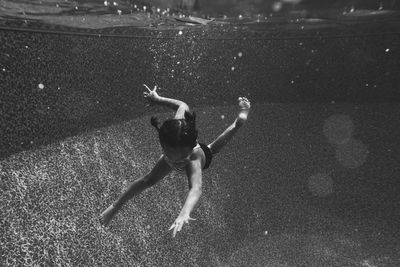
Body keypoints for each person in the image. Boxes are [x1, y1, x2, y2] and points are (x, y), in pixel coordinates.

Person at [100, 84, 251, 237]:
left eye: (177, 155)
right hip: (181, 146)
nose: (173, 158)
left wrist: (184, 212)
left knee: (211, 150)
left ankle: (238, 123)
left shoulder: (193, 158)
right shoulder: (175, 126)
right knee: (148, 180)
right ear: (163, 143)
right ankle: (115, 206)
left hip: (198, 154)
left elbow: (196, 189)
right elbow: (182, 105)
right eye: (168, 152)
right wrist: (158, 99)